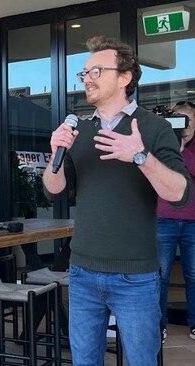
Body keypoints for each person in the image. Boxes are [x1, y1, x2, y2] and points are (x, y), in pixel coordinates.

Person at [43, 36, 191, 366]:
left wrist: (140, 156)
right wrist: (55, 152)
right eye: (84, 73)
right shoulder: (78, 131)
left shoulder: (153, 128)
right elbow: (53, 191)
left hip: (136, 276)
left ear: (125, 77)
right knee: (85, 361)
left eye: (97, 70)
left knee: (142, 361)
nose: (87, 79)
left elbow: (180, 194)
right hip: (82, 272)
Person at [157, 100, 195, 342]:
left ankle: (194, 323)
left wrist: (181, 151)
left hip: (193, 221)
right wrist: (174, 146)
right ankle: (159, 324)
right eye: (180, 120)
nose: (185, 126)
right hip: (164, 219)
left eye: (189, 121)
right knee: (161, 276)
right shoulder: (163, 145)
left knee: (194, 275)